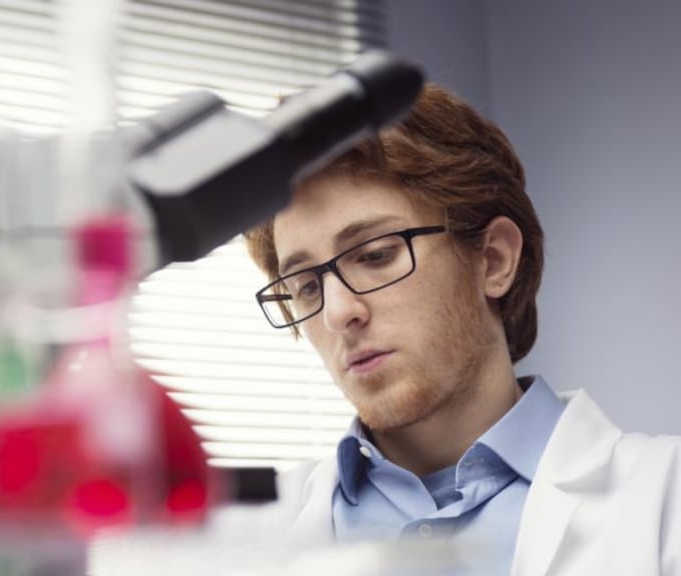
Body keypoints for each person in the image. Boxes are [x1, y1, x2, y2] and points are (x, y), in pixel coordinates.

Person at [228, 83, 681, 575]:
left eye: (376, 255)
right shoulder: (242, 537)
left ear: (493, 259)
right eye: (307, 286)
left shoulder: (664, 500)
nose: (338, 313)